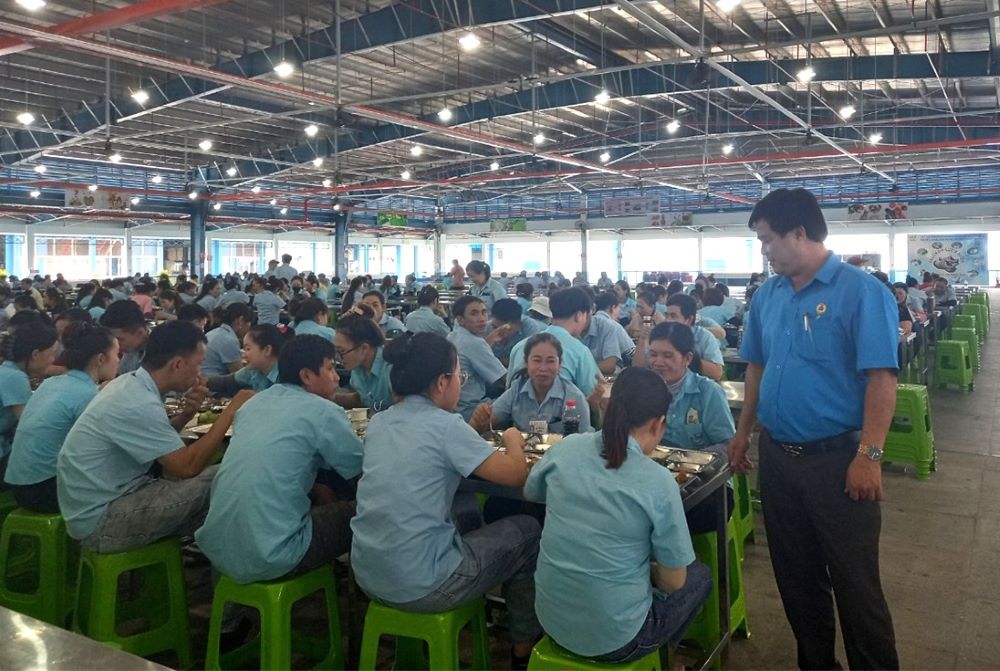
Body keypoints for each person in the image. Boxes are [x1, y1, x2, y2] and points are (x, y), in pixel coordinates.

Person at [729, 188, 899, 670]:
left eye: (766, 239)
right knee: (798, 582)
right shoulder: (769, 296)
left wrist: (869, 457)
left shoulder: (862, 292)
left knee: (856, 587)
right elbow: (756, 367)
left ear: (799, 234)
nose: (763, 250)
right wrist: (744, 431)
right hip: (780, 460)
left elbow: (881, 379)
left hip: (838, 462)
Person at [350, 332, 542, 667]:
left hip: (368, 575)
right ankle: (522, 648)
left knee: (463, 504)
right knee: (528, 531)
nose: (460, 384)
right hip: (426, 584)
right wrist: (512, 437)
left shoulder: (380, 423)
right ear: (442, 382)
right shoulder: (446, 427)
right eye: (460, 377)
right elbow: (516, 474)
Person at [523, 366, 712, 662]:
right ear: (658, 424)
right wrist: (647, 572)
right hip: (616, 638)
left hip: (551, 621)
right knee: (699, 577)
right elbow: (674, 582)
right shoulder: (658, 481)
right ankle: (664, 659)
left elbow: (532, 492)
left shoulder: (567, 448)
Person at [57, 320, 253, 553]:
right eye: (199, 364)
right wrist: (231, 410)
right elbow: (185, 467)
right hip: (102, 521)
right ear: (178, 364)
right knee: (228, 474)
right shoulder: (137, 401)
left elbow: (161, 447)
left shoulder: (131, 384)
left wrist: (187, 414)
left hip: (103, 504)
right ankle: (238, 559)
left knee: (220, 486)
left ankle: (215, 549)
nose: (200, 373)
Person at [196, 335, 363, 583]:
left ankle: (233, 616)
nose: (337, 377)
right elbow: (359, 470)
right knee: (358, 514)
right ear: (306, 376)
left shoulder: (254, 404)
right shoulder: (323, 411)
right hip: (275, 555)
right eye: (330, 369)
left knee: (319, 492)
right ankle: (354, 604)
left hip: (217, 550)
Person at [5, 323, 118, 513]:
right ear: (100, 359)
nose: (118, 360)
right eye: (116, 354)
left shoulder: (51, 384)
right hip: (45, 490)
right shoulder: (87, 395)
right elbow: (105, 447)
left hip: (19, 484)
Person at [645, 322, 735, 533]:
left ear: (687, 358)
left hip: (706, 487)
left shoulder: (708, 392)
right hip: (654, 482)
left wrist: (684, 463)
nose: (658, 362)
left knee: (662, 516)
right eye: (654, 354)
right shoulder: (644, 390)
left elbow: (726, 446)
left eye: (668, 356)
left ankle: (678, 564)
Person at [471, 332, 589, 435]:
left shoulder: (574, 397)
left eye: (550, 361)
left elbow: (582, 444)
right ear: (526, 362)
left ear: (560, 364)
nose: (543, 368)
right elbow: (486, 423)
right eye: (537, 360)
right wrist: (481, 418)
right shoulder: (517, 389)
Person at [507, 288, 602, 399]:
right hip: (563, 415)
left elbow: (509, 391)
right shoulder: (580, 351)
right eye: (587, 316)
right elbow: (594, 394)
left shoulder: (519, 346)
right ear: (579, 315)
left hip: (518, 414)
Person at [0, 324, 59, 479]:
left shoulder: (7, 370)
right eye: (52, 354)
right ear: (35, 354)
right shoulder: (15, 378)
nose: (53, 360)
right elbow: (29, 426)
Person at [447, 296, 508, 420]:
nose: (481, 319)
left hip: (454, 406)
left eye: (484, 312)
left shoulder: (453, 335)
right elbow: (505, 379)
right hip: (471, 409)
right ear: (461, 319)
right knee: (515, 401)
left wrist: (488, 341)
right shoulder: (474, 342)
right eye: (474, 314)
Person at [333, 312, 394, 411]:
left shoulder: (391, 368)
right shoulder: (358, 368)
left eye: (341, 351)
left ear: (364, 348)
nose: (338, 358)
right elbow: (363, 399)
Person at [661, 293, 724, 382]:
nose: (667, 320)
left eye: (673, 316)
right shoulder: (661, 336)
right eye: (666, 315)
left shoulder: (704, 337)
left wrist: (685, 357)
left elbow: (717, 373)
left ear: (689, 320)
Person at [207, 324, 284, 395]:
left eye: (247, 349)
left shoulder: (286, 377)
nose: (243, 354)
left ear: (267, 350)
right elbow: (227, 382)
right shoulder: (253, 371)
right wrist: (200, 381)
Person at [582, 292, 633, 375]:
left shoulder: (608, 326)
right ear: (613, 308)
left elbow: (609, 366)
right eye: (618, 308)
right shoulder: (614, 325)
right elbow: (631, 353)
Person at [488, 298, 543, 367]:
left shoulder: (530, 328)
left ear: (517, 324)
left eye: (500, 329)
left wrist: (496, 359)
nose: (496, 331)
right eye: (494, 327)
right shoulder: (488, 327)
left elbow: (527, 362)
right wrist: (488, 343)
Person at [100, 300, 150, 376]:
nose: (115, 344)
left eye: (120, 339)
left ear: (140, 333)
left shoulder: (161, 354)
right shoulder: (131, 349)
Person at [202, 303, 253, 376]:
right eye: (249, 324)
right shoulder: (229, 340)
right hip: (212, 382)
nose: (249, 329)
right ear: (240, 321)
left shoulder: (215, 332)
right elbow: (240, 375)